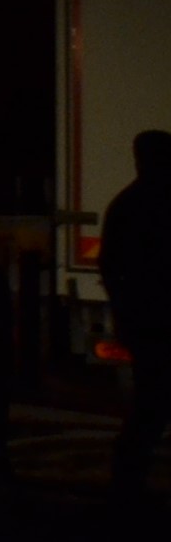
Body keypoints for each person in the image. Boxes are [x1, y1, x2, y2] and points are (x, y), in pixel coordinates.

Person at [106, 128, 171, 503]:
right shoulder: (154, 204)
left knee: (149, 410)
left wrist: (126, 318)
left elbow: (113, 269)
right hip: (158, 326)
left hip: (147, 327)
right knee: (150, 411)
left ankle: (125, 490)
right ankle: (126, 492)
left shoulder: (128, 205)